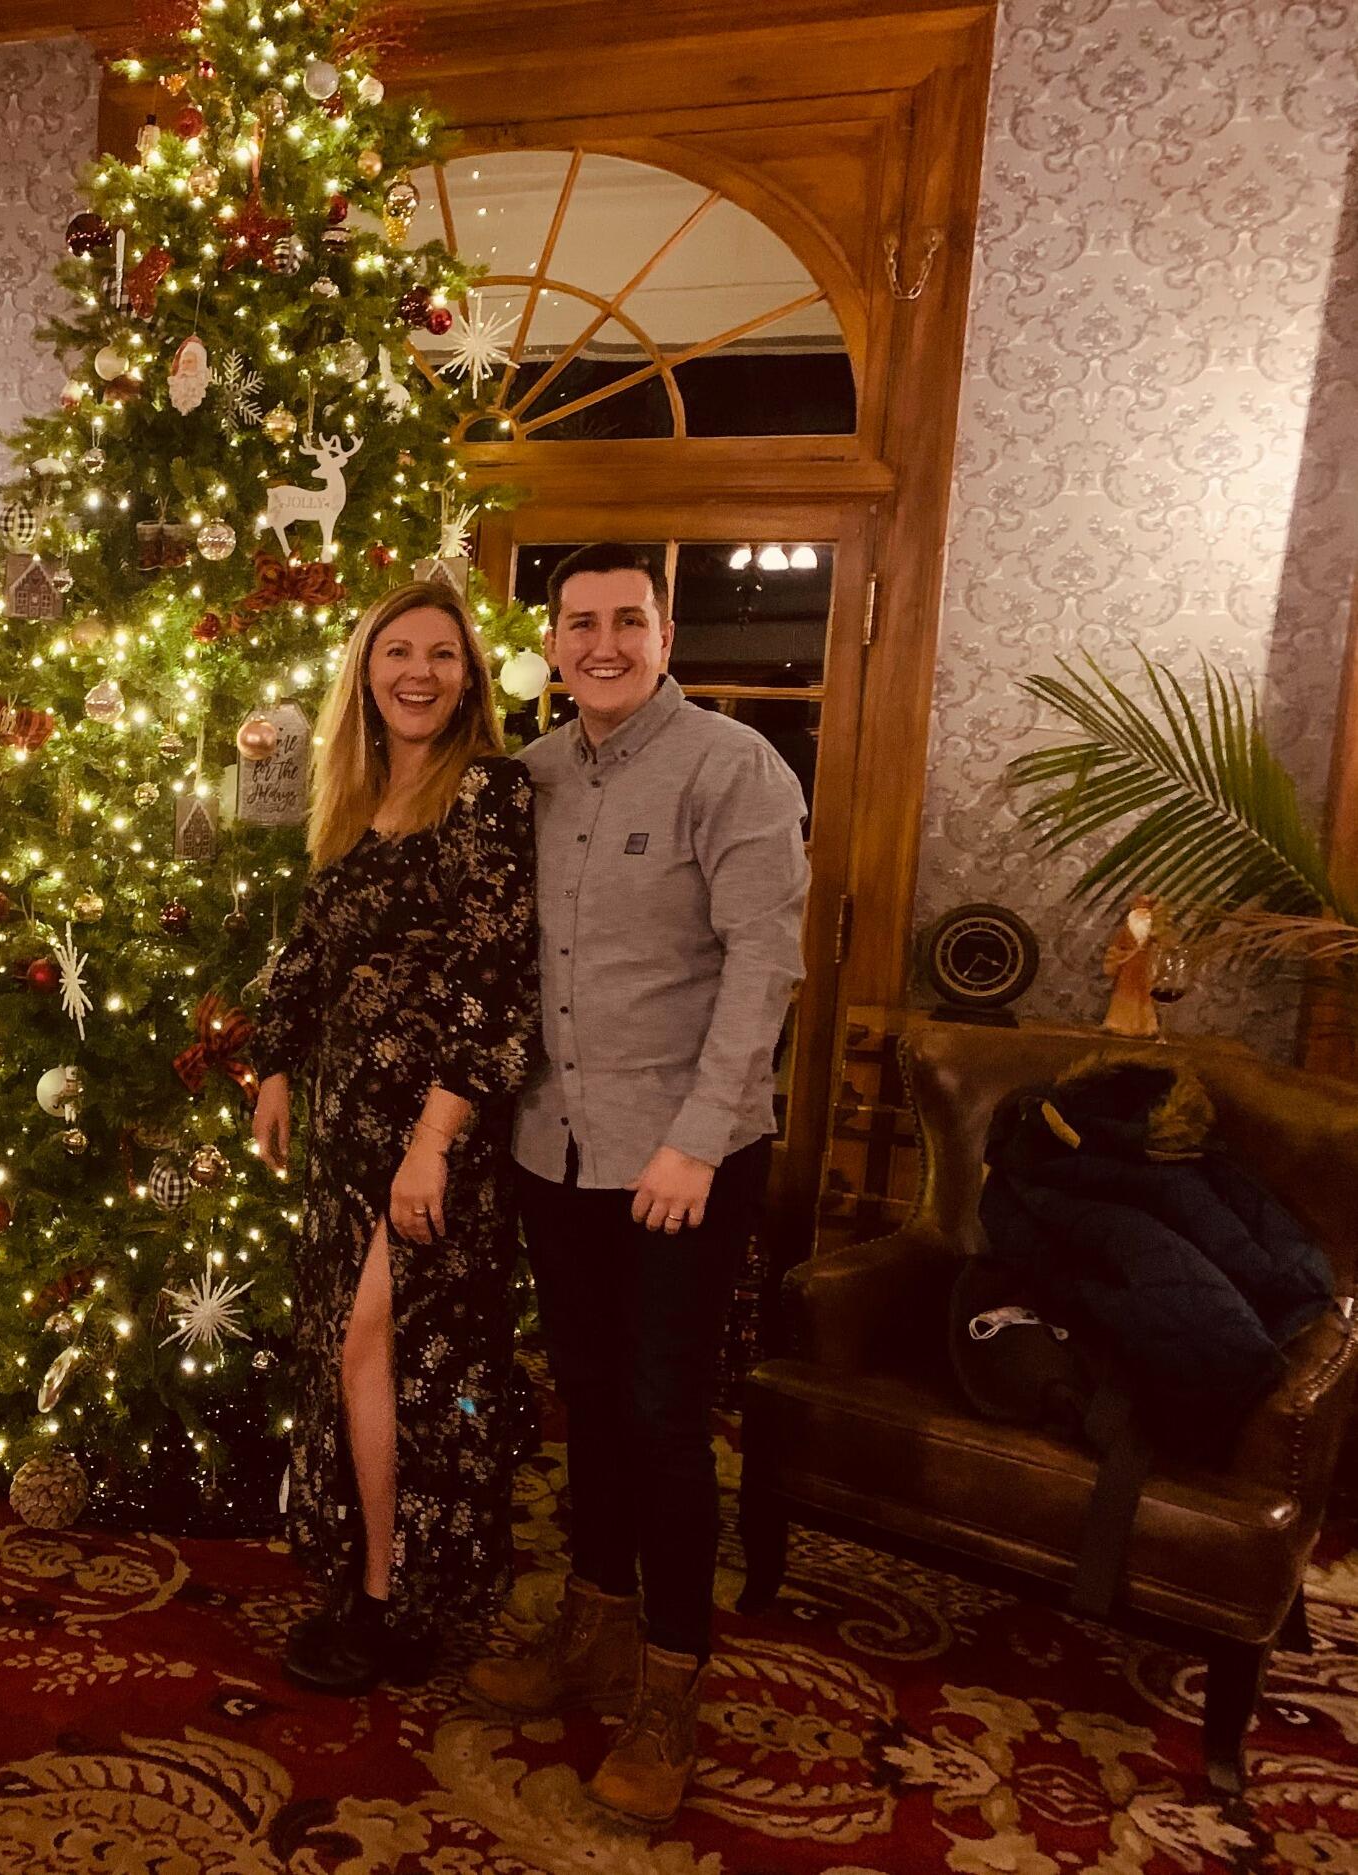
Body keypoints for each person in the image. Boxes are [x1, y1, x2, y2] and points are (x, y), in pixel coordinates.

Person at [467, 541, 808, 1831]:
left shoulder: (735, 769)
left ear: (665, 635)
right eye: (577, 623)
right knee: (590, 1403)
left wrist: (694, 1141)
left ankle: (671, 1682)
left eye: (625, 620)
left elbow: (761, 967)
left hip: (683, 1160)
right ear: (550, 644)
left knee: (668, 1420)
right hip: (555, 1150)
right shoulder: (533, 778)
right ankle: (590, 1626)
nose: (599, 642)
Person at [248, 580, 541, 1695]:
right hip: (343, 1130)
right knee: (351, 1353)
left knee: (395, 1355)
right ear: (365, 674)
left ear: (467, 678)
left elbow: (492, 977)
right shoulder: (358, 797)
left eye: (441, 655)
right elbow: (310, 952)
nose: (417, 672)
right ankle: (364, 1572)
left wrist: (434, 1142)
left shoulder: (490, 794)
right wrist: (275, 1059)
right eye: (396, 652)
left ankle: (396, 1597)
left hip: (435, 1136)